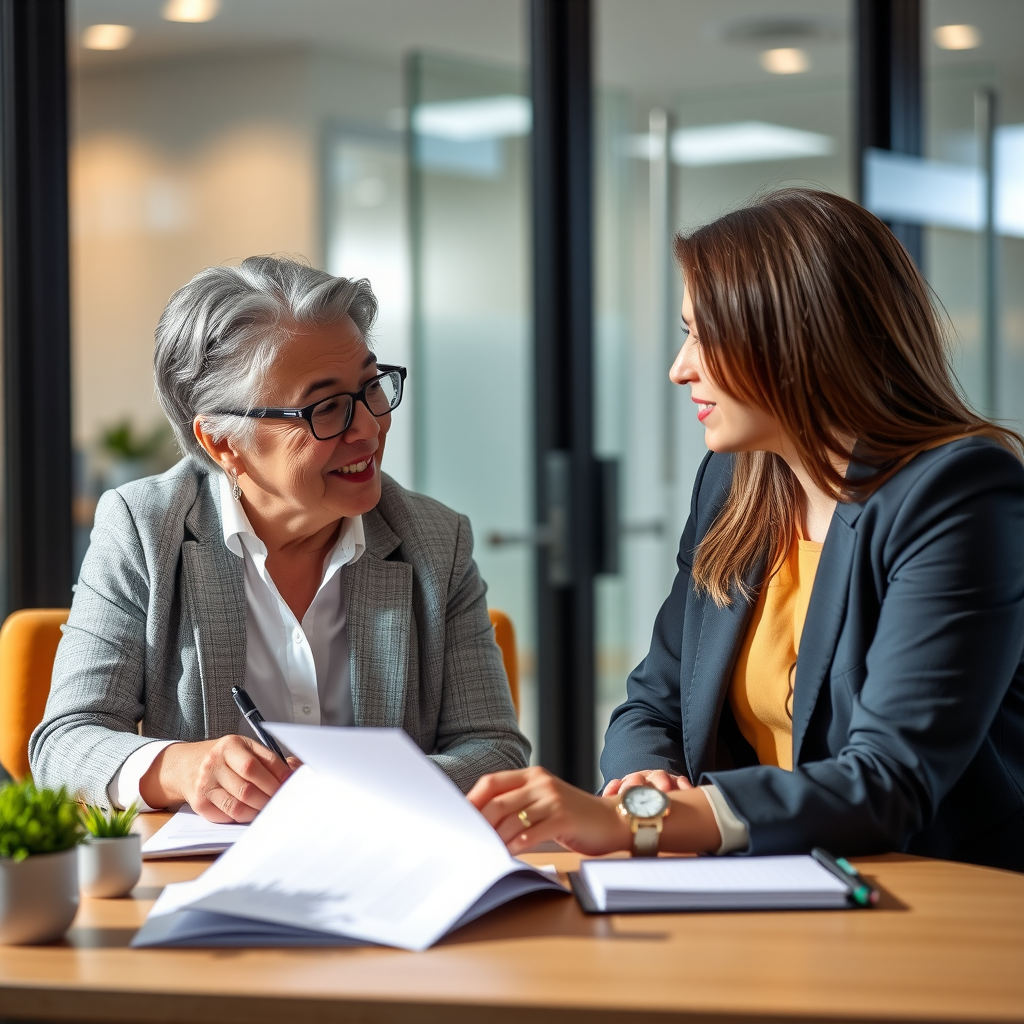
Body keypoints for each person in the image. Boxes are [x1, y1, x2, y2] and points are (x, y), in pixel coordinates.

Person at [468, 188, 1024, 872]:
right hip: (768, 884)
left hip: (929, 898)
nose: (681, 369)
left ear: (797, 338)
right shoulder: (736, 483)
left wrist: (638, 822)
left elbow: (887, 783)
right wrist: (646, 788)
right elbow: (652, 702)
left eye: (706, 335)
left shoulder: (957, 493)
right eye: (685, 333)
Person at [31, 256, 528, 821]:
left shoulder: (436, 541)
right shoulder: (145, 527)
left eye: (371, 388)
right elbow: (64, 744)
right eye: (328, 408)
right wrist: (183, 767)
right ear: (223, 444)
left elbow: (495, 755)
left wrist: (348, 784)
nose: (368, 427)